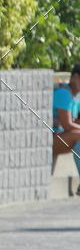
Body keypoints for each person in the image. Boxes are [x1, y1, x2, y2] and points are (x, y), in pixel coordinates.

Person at [52, 64, 80, 192]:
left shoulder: (76, 98)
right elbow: (67, 125)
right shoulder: (63, 93)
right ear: (75, 77)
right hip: (50, 139)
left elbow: (76, 123)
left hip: (64, 138)